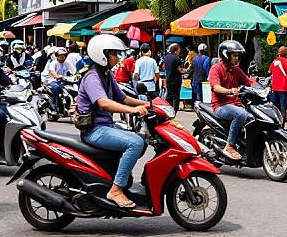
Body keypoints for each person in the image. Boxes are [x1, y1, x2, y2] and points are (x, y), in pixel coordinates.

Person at [77, 34, 149, 209]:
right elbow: (104, 103)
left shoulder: (107, 75)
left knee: (143, 140)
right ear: (103, 55)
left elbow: (123, 98)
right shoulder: (92, 77)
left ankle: (118, 178)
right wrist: (133, 110)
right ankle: (116, 190)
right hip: (94, 130)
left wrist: (148, 103)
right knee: (135, 143)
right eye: (115, 54)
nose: (118, 58)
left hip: (106, 127)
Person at [208, 40, 255, 161]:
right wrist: (229, 91)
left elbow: (248, 81)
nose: (237, 58)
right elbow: (215, 87)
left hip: (236, 104)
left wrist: (262, 86)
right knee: (240, 114)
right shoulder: (216, 69)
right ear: (225, 54)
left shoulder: (236, 70)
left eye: (238, 55)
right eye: (234, 55)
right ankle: (230, 145)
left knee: (253, 118)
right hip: (220, 105)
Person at [42, 47, 76, 112]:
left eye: (64, 56)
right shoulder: (53, 63)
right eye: (61, 56)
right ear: (57, 56)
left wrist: (76, 75)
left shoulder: (67, 63)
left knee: (71, 89)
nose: (62, 57)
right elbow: (53, 72)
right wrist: (57, 76)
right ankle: (54, 105)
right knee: (57, 88)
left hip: (63, 81)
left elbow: (73, 71)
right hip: (52, 80)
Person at [268, 46, 287, 128]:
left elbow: (269, 71)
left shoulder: (275, 61)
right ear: (286, 53)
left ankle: (275, 124)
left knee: (275, 106)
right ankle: (282, 125)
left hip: (274, 87)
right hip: (283, 87)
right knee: (283, 106)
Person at [163, 43, 186, 113]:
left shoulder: (166, 57)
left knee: (169, 95)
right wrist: (187, 70)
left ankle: (167, 110)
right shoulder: (176, 58)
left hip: (168, 79)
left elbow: (164, 67)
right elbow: (180, 70)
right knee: (176, 96)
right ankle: (174, 111)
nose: (179, 52)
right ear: (176, 50)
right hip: (176, 80)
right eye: (179, 50)